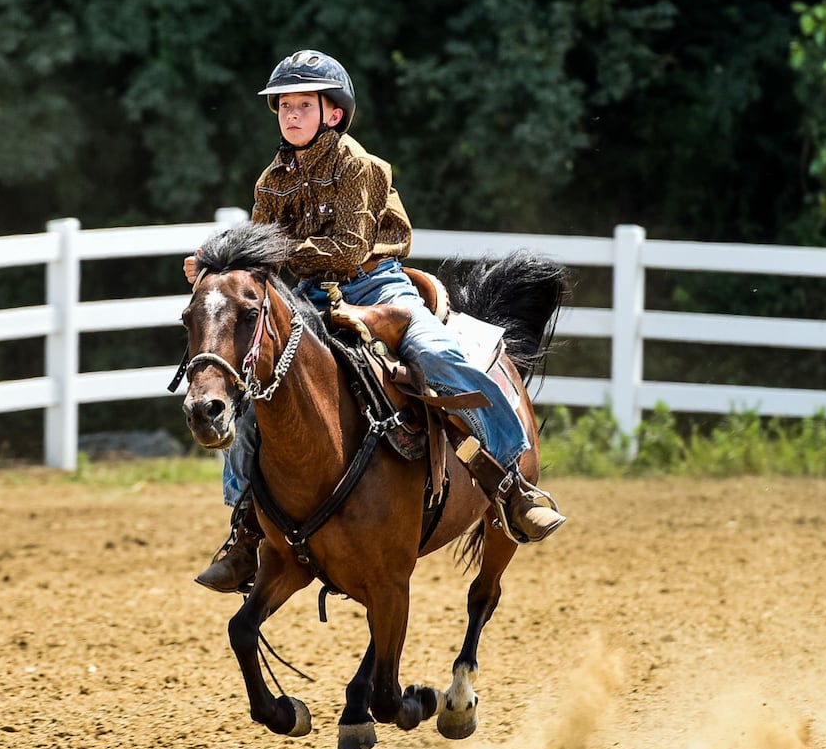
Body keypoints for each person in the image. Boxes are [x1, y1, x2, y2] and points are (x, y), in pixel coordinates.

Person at [185, 49, 565, 592]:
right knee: (254, 391)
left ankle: (510, 483)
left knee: (441, 358)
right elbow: (258, 258)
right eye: (283, 106)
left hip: (377, 285)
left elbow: (346, 247)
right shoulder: (271, 180)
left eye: (301, 105)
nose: (290, 114)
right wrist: (218, 263)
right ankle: (246, 530)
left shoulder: (360, 166)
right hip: (309, 296)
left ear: (333, 113)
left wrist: (266, 251)